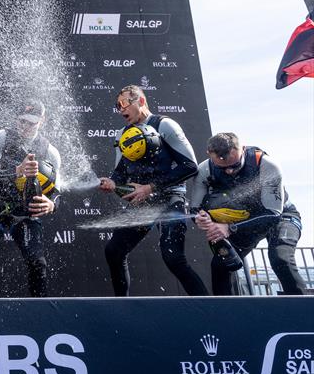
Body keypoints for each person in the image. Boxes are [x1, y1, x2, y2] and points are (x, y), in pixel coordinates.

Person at [98, 85, 208, 296]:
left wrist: (150, 188)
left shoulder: (165, 125)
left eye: (123, 104)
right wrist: (112, 183)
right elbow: (120, 174)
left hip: (169, 197)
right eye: (117, 106)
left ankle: (208, 307)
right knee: (114, 250)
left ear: (140, 101)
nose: (120, 110)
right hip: (142, 200)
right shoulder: (122, 134)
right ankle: (123, 307)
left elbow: (190, 166)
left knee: (173, 257)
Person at [190, 132, 308, 295]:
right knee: (220, 265)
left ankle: (304, 313)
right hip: (242, 221)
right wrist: (202, 219)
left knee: (280, 259)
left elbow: (273, 214)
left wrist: (229, 228)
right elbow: (195, 209)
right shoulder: (204, 170)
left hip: (281, 216)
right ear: (210, 156)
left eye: (235, 165)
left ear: (243, 150)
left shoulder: (267, 164)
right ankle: (226, 316)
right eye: (222, 168)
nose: (230, 171)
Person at [0, 99, 60, 298]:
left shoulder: (50, 151)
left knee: (38, 262)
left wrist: (52, 204)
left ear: (42, 121)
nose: (26, 127)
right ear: (15, 118)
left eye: (32, 122)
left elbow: (58, 191)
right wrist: (17, 171)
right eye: (22, 121)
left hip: (25, 214)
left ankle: (41, 314)